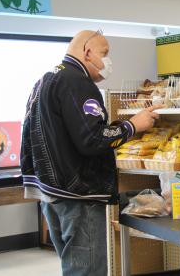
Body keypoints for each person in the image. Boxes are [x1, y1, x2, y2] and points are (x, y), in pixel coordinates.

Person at [20, 30, 159, 276]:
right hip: (79, 195)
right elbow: (92, 139)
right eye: (105, 54)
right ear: (87, 52)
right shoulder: (77, 82)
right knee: (88, 270)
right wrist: (132, 126)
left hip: (51, 192)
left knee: (73, 266)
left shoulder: (46, 79)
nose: (108, 61)